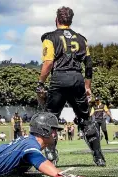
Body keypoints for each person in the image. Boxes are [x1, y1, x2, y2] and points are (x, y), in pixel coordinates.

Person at [36, 6, 105, 166]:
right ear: (71, 20)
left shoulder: (49, 37)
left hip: (59, 79)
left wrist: (40, 82)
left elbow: (48, 63)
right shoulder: (82, 39)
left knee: (49, 119)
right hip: (77, 80)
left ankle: (51, 155)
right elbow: (88, 64)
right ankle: (98, 156)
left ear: (56, 20)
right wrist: (88, 86)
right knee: (86, 119)